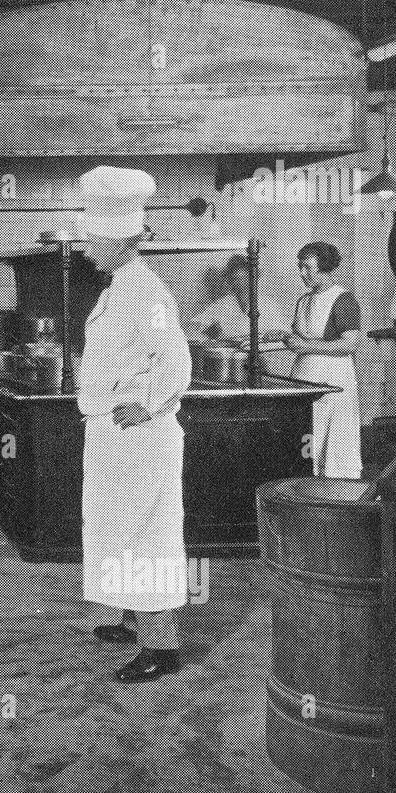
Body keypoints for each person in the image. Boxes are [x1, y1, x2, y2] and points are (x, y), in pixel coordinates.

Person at [77, 166, 194, 684]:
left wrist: (145, 405)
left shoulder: (145, 293)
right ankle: (130, 616)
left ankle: (161, 648)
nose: (86, 248)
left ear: (119, 240)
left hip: (139, 436)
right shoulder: (119, 287)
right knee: (118, 531)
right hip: (114, 435)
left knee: (148, 539)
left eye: (92, 239)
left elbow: (176, 363)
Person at [286, 241, 362, 479]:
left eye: (307, 267)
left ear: (324, 267)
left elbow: (350, 344)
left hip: (332, 381)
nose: (302, 273)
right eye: (300, 267)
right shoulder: (303, 300)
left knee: (332, 445)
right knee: (307, 442)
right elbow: (298, 335)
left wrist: (305, 345)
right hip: (303, 377)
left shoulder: (343, 299)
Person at [188, 254, 288, 345]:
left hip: (262, 359)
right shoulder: (224, 304)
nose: (240, 284)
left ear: (253, 278)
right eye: (235, 279)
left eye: (244, 278)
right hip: (231, 360)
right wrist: (207, 331)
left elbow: (283, 335)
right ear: (230, 281)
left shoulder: (269, 305)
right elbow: (195, 325)